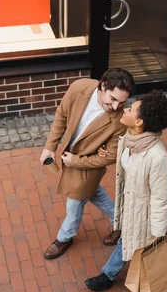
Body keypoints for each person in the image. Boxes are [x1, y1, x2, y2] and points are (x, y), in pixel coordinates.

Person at [85, 90, 167, 292]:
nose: (126, 109)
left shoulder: (157, 157)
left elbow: (162, 198)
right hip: (131, 206)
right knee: (128, 240)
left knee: (131, 242)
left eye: (132, 109)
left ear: (139, 122)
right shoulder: (128, 139)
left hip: (144, 214)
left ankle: (108, 276)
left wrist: (159, 232)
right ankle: (109, 275)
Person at [40, 68, 135, 260]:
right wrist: (50, 146)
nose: (117, 107)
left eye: (122, 102)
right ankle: (122, 224)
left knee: (75, 201)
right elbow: (61, 115)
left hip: (87, 165)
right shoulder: (79, 88)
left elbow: (110, 156)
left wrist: (76, 161)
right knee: (93, 193)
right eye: (113, 99)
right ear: (103, 86)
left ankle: (65, 237)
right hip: (69, 156)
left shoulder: (121, 120)